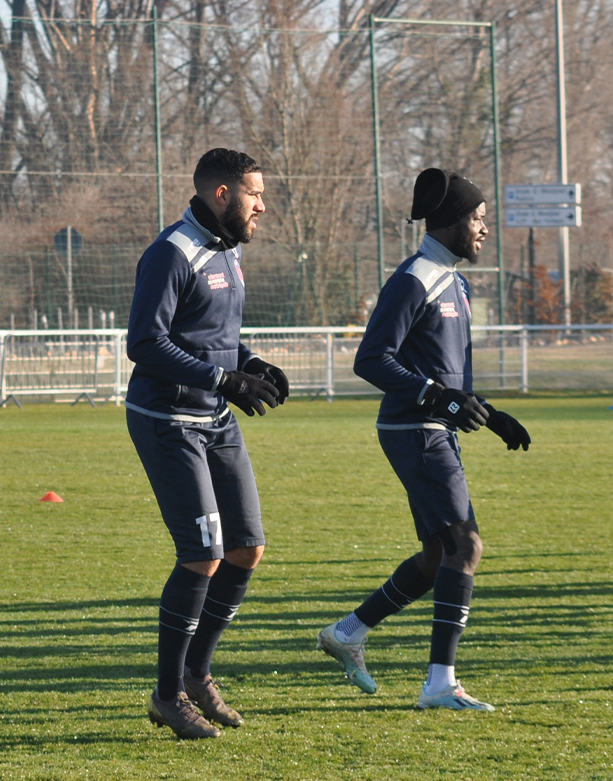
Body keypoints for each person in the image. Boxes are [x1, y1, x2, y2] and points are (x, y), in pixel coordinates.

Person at [318, 168, 530, 711]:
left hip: (429, 426)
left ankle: (348, 632)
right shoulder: (415, 277)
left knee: (438, 555)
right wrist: (438, 398)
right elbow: (371, 359)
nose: (485, 229)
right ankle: (440, 684)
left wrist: (491, 413)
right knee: (467, 547)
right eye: (479, 219)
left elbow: (447, 372)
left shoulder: (453, 279)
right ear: (453, 221)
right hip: (415, 429)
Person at [125, 148, 289, 740]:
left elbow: (215, 336)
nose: (262, 206)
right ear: (222, 194)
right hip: (166, 418)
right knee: (202, 554)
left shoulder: (228, 251)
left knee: (246, 548)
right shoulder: (172, 253)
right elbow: (145, 343)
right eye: (255, 194)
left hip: (214, 416)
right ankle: (167, 695)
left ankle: (197, 674)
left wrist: (251, 364)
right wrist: (224, 377)